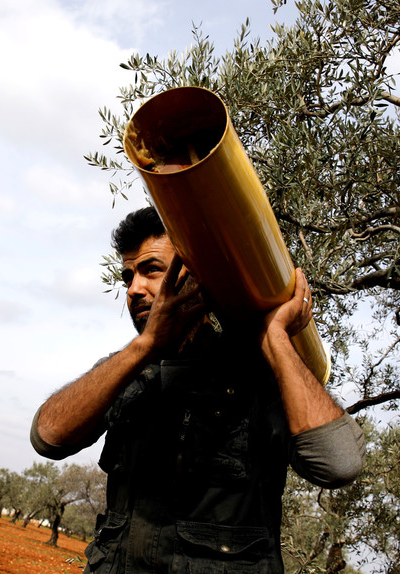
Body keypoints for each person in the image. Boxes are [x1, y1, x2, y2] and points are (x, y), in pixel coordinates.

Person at [31, 207, 364, 573]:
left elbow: (339, 465)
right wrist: (144, 348)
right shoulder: (126, 370)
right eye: (128, 277)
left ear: (195, 276)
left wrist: (276, 340)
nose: (134, 289)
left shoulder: (255, 376)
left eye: (151, 270)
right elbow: (48, 438)